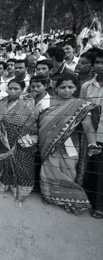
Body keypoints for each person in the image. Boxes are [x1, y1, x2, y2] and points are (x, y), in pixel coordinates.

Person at [39, 74, 101, 214]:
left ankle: (70, 198)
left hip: (70, 145)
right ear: (56, 88)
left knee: (69, 171)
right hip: (48, 144)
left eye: (70, 87)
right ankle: (50, 196)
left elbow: (88, 126)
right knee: (49, 169)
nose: (66, 90)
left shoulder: (80, 105)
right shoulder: (47, 102)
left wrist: (92, 143)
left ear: (76, 88)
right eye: (62, 87)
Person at [0, 80, 38, 206]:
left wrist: (17, 141)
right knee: (5, 165)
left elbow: (30, 125)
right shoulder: (1, 103)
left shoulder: (27, 105)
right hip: (3, 140)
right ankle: (6, 185)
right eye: (10, 88)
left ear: (22, 90)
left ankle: (21, 194)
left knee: (22, 168)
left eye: (16, 88)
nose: (12, 91)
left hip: (20, 142)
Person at [80, 49, 103, 219]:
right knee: (92, 170)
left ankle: (100, 206)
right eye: (98, 63)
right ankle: (90, 201)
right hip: (91, 135)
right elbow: (83, 110)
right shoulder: (87, 86)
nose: (100, 66)